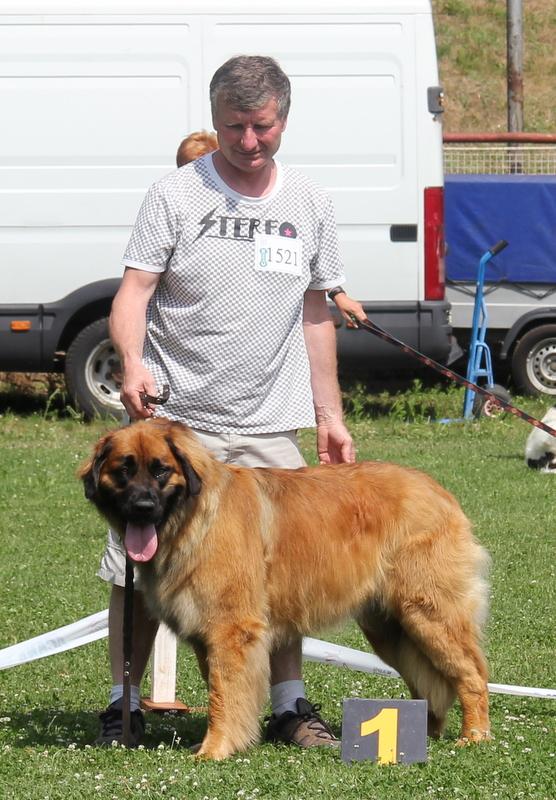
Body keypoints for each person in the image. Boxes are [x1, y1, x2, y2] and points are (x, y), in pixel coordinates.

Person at [96, 55, 356, 751]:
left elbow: (317, 315)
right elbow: (134, 293)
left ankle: (289, 707)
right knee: (137, 565)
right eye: (234, 126)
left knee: (281, 568)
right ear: (215, 120)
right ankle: (125, 703)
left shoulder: (310, 202)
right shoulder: (175, 195)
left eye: (261, 126)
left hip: (269, 421)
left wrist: (329, 416)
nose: (248, 141)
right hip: (177, 426)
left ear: (284, 119)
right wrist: (132, 362)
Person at [176, 130, 367, 327]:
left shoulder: (253, 208)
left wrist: (338, 295)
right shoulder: (177, 211)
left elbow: (308, 259)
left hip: (265, 325)